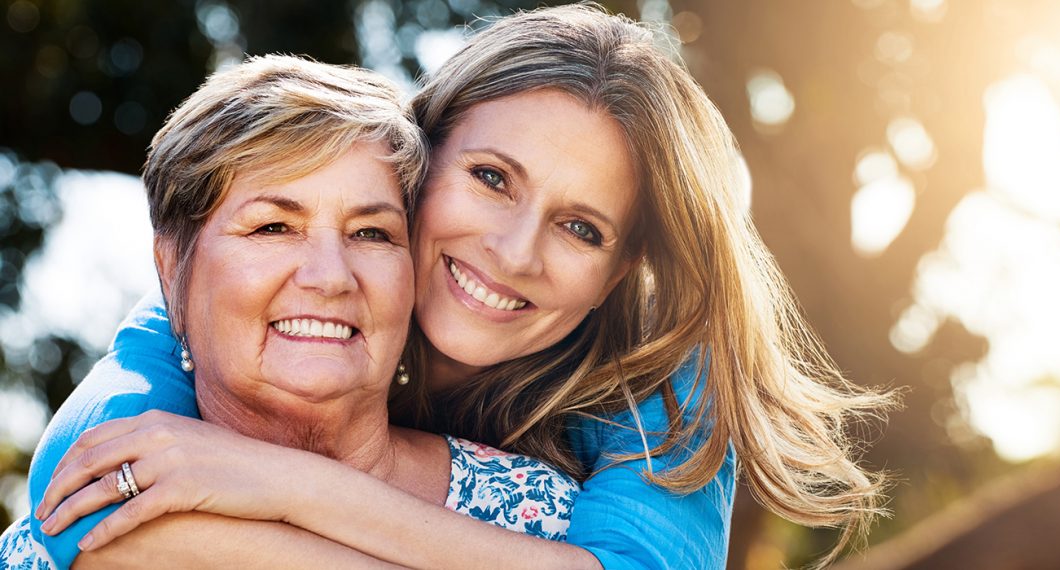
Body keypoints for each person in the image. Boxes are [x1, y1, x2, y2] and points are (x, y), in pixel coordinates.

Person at [23, 4, 894, 568]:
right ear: (418, 158)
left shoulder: (661, 378)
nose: (515, 252)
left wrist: (280, 484)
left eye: (581, 228)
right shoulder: (257, 284)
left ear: (620, 270)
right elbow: (83, 483)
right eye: (491, 178)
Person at [0, 54, 580, 568]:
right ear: (172, 267)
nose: (330, 276)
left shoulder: (544, 519)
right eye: (274, 226)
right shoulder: (67, 539)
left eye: (372, 233)